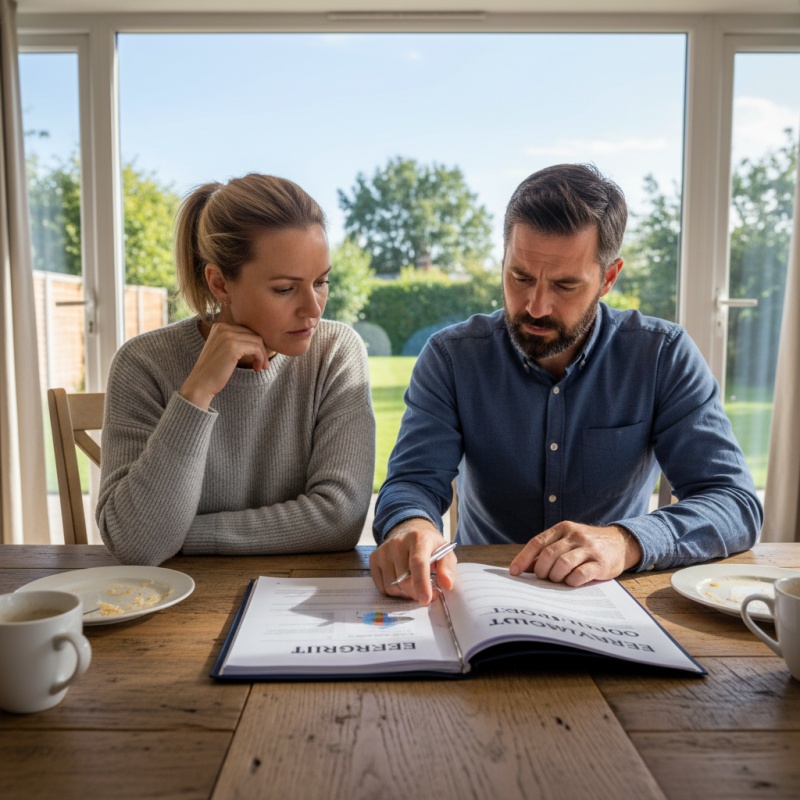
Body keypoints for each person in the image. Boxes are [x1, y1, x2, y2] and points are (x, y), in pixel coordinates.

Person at [370, 163, 763, 605]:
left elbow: (734, 503)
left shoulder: (661, 355)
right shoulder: (452, 357)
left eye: (565, 284)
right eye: (519, 277)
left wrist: (625, 541)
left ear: (608, 278)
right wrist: (413, 526)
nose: (536, 306)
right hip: (480, 597)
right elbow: (413, 482)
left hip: (614, 598)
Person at [97, 173, 375, 566]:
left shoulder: (335, 353)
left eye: (321, 281)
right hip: (176, 602)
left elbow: (338, 519)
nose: (313, 308)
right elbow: (137, 545)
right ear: (220, 284)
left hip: (299, 601)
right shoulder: (142, 364)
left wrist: (182, 536)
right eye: (284, 289)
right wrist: (196, 393)